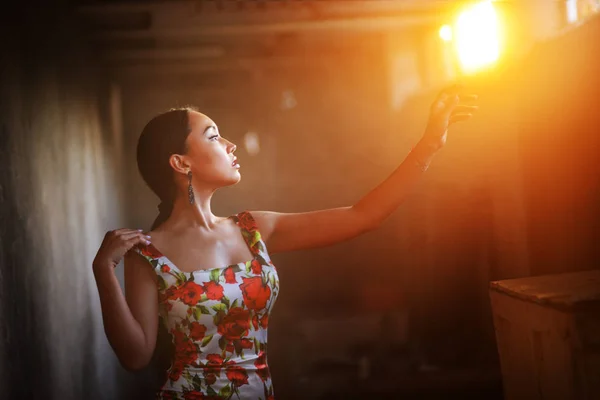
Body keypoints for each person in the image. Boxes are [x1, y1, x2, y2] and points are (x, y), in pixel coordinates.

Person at [92, 85, 477, 399]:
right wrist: (103, 271)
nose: (231, 145)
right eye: (213, 136)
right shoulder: (147, 254)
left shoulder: (253, 229)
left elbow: (364, 217)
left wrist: (429, 146)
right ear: (181, 163)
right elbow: (136, 355)